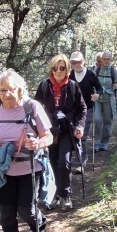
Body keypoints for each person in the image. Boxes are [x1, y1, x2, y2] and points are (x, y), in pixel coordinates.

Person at [0, 69, 54, 232]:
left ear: (20, 89)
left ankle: (39, 225)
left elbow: (48, 136)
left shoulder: (32, 107)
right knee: (6, 214)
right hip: (3, 170)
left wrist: (38, 143)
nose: (7, 94)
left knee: (27, 210)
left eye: (11, 89)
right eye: (2, 90)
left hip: (30, 168)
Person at [34, 54, 86, 210]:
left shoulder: (73, 86)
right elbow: (35, 108)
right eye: (55, 68)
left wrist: (80, 126)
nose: (58, 71)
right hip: (49, 131)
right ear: (51, 69)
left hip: (67, 129)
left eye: (62, 68)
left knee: (64, 162)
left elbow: (82, 108)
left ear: (67, 70)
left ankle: (65, 195)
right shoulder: (44, 86)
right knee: (52, 163)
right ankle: (55, 194)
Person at [68, 51, 102, 172]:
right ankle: (80, 158)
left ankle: (80, 163)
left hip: (88, 109)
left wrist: (97, 95)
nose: (77, 64)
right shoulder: (69, 75)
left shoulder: (90, 74)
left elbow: (99, 88)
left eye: (79, 61)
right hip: (72, 111)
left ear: (84, 61)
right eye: (74, 62)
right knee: (72, 136)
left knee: (81, 135)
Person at [94, 50, 117, 152]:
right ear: (101, 59)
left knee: (107, 121)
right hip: (98, 99)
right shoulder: (97, 70)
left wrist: (116, 86)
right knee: (97, 119)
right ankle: (97, 142)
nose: (105, 61)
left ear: (110, 60)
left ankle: (104, 142)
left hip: (108, 99)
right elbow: (93, 83)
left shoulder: (114, 71)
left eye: (107, 59)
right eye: (104, 59)